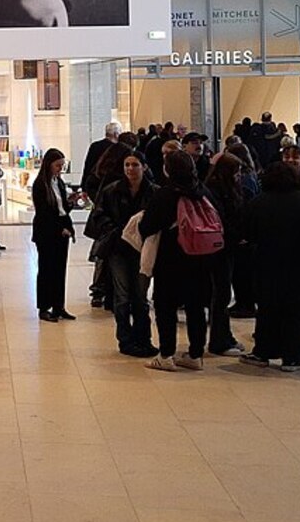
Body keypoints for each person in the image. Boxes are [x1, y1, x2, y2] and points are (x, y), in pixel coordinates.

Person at [139, 150, 217, 371]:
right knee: (195, 307)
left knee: (166, 307)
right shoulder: (203, 192)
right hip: (201, 258)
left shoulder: (165, 195)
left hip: (171, 258)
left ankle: (166, 354)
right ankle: (195, 354)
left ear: (167, 169)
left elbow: (147, 227)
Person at [240, 162, 300, 370]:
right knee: (298, 311)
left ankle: (264, 352)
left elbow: (247, 233)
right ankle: (293, 357)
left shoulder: (258, 203)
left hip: (267, 263)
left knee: (268, 310)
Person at [87, 151, 157, 355]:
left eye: (135, 165)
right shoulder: (112, 191)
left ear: (144, 167)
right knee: (123, 296)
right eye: (127, 165)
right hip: (118, 249)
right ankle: (125, 340)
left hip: (142, 250)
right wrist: (116, 231)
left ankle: (143, 338)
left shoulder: (153, 192)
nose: (130, 169)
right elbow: (99, 216)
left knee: (141, 297)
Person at [202, 154, 248, 356]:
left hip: (225, 247)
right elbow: (220, 220)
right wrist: (238, 236)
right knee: (221, 294)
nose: (238, 176)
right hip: (220, 248)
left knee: (221, 294)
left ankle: (224, 336)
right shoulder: (215, 192)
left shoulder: (221, 189)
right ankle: (220, 340)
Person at [31, 149, 76, 321]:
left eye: (62, 166)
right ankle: (44, 307)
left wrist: (71, 202)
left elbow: (62, 208)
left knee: (60, 269)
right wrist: (59, 229)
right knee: (46, 270)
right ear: (49, 165)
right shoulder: (40, 185)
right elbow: (44, 213)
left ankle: (59, 306)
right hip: (47, 233)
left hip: (62, 231)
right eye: (57, 165)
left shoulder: (59, 182)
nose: (60, 169)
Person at [81, 121, 122, 308]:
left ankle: (100, 290)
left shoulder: (96, 148)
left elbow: (88, 173)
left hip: (102, 209)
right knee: (104, 251)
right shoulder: (115, 157)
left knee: (102, 252)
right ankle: (103, 290)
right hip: (108, 213)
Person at [80, 121, 122, 201]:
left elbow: (88, 165)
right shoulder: (117, 148)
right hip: (111, 185)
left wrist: (84, 187)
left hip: (95, 185)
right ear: (116, 134)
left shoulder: (95, 146)